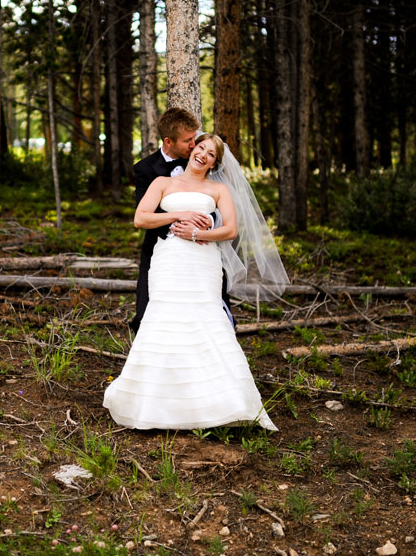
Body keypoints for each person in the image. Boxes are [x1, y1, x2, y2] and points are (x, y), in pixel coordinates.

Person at [103, 133, 288, 430]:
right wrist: (180, 214)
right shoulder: (163, 183)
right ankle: (159, 405)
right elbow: (141, 218)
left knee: (205, 318)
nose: (203, 154)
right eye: (201, 147)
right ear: (192, 149)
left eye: (211, 153)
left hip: (202, 263)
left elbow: (229, 230)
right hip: (168, 261)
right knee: (165, 318)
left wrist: (196, 234)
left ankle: (220, 404)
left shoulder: (218, 190)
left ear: (215, 162)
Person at [131, 108, 207, 334]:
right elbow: (144, 215)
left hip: (199, 246)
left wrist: (202, 227)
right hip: (159, 247)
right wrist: (178, 222)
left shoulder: (199, 161)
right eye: (187, 141)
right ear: (168, 141)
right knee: (147, 313)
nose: (194, 145)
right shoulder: (145, 169)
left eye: (194, 138)